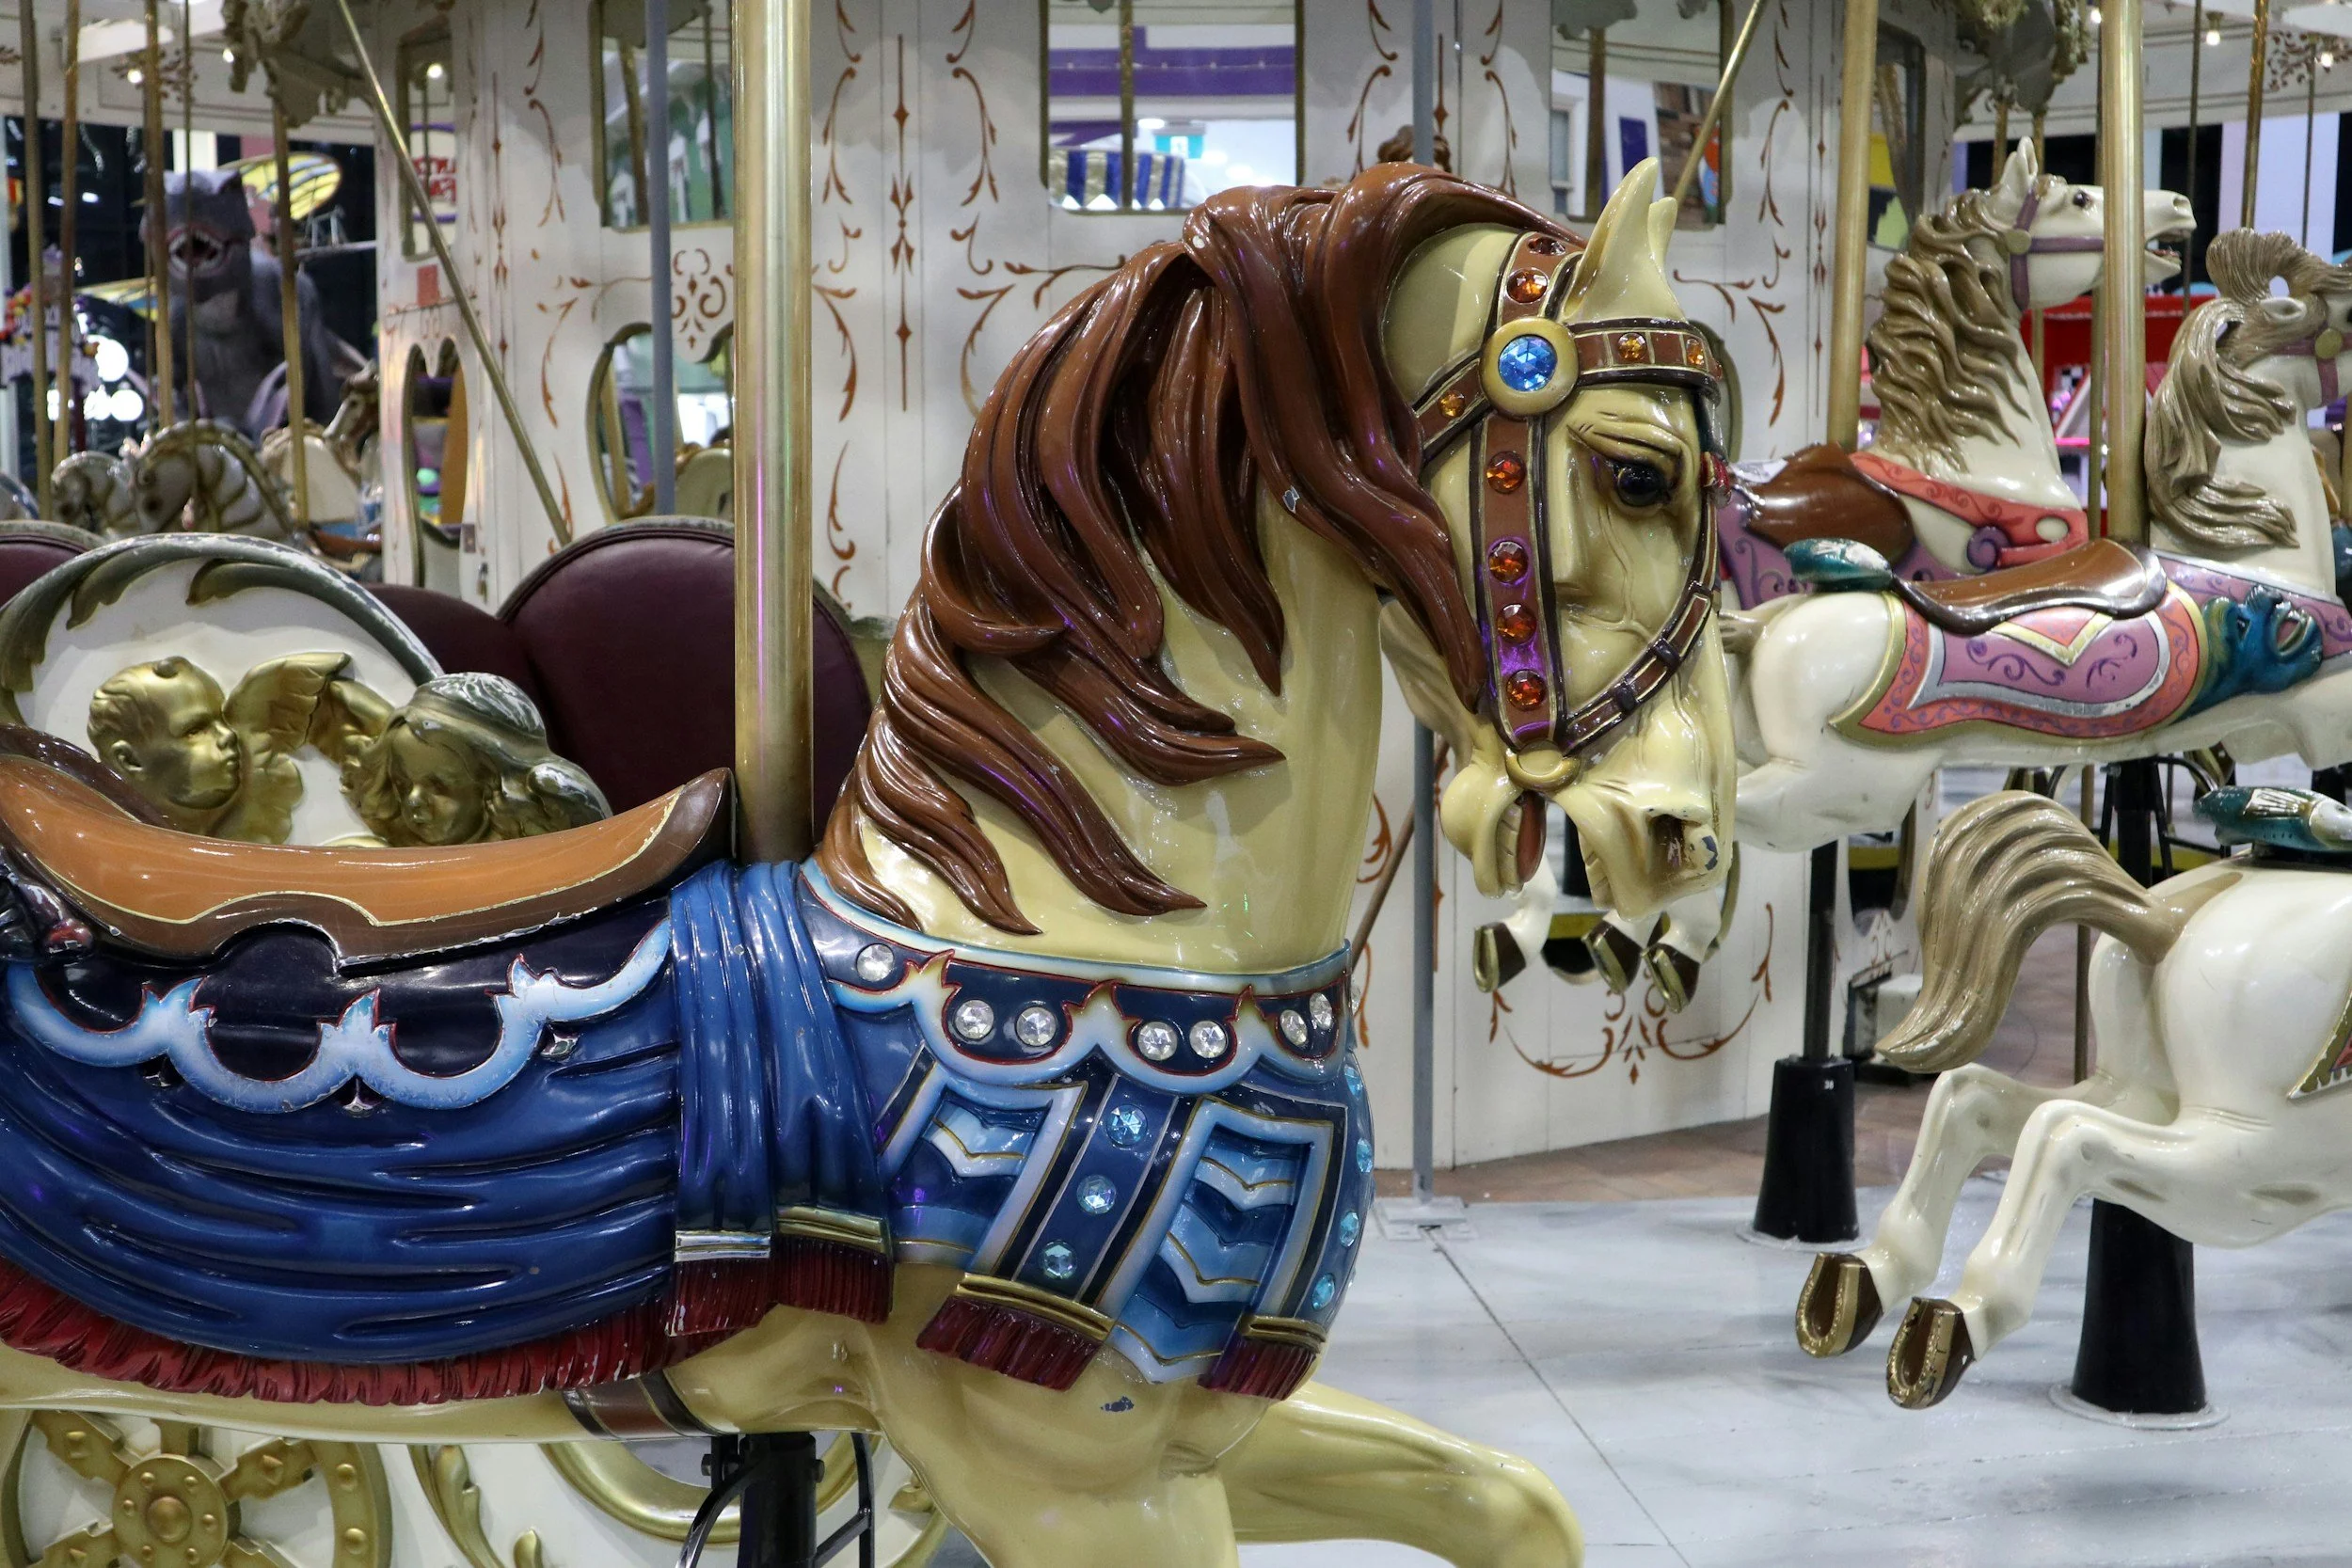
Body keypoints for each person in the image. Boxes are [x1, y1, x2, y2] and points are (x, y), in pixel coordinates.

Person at [339, 672, 608, 847]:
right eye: (402, 784)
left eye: (440, 785)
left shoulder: (534, 850)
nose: (412, 800)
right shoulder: (382, 861)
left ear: (492, 784)